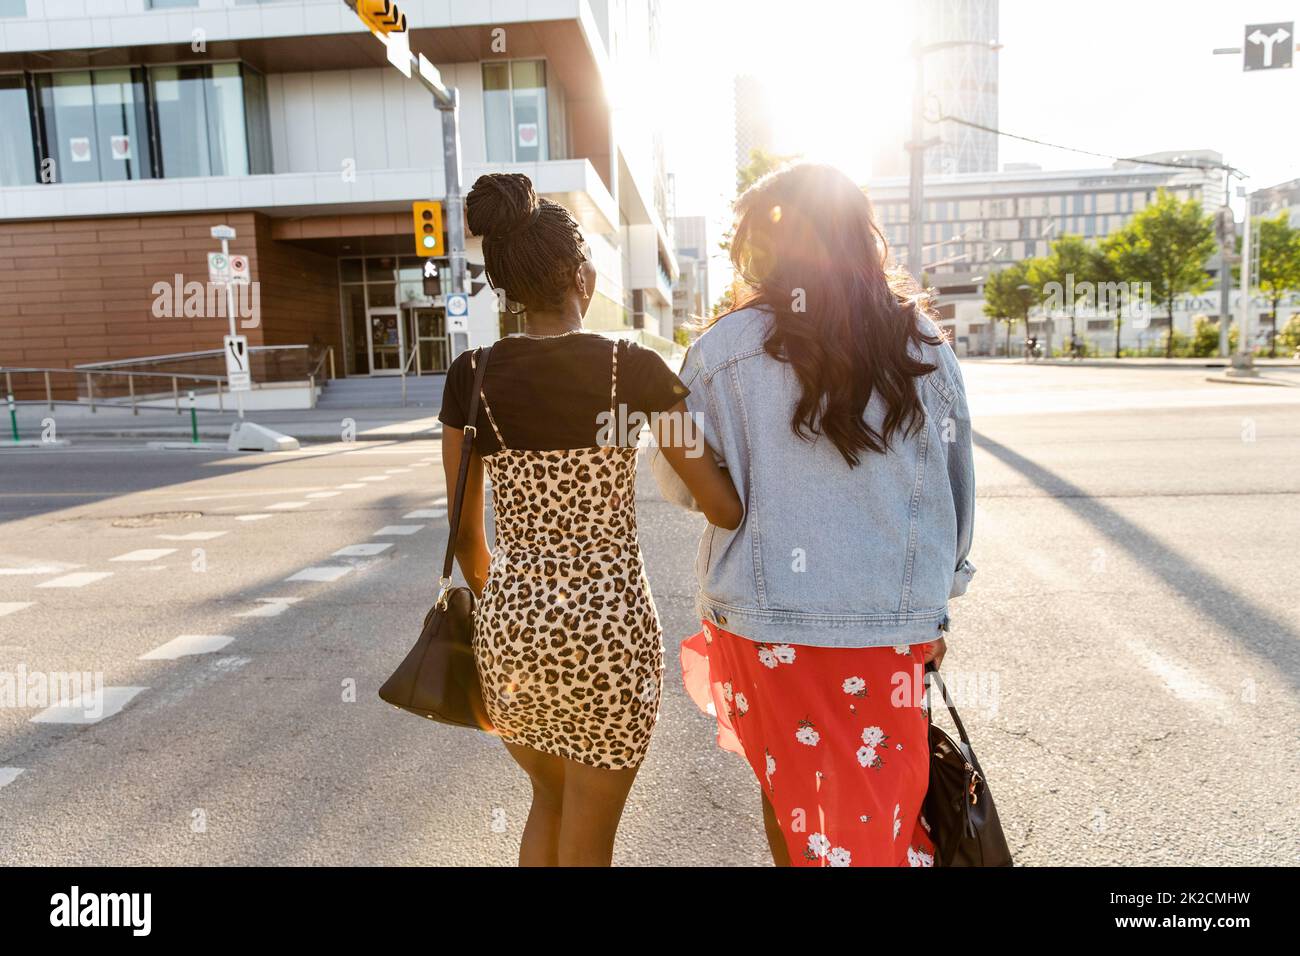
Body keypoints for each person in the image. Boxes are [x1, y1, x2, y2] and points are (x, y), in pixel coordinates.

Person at [669, 163, 976, 867]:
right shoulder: (923, 345)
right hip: (890, 624)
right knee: (883, 810)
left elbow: (692, 488)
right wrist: (938, 603)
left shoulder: (720, 352)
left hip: (764, 626)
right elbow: (955, 492)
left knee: (790, 799)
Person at [437, 173, 741, 867]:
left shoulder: (471, 376)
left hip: (513, 630)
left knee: (548, 801)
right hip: (609, 630)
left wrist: (501, 601)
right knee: (590, 833)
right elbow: (720, 504)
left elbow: (462, 530)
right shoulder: (630, 369)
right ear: (583, 276)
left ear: (507, 286)